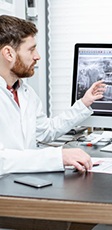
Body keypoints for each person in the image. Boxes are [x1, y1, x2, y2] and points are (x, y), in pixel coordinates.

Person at [0, 15, 106, 175]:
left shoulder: (24, 92)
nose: (37, 56)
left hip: (24, 181)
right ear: (9, 54)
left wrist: (83, 103)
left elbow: (45, 131)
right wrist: (58, 156)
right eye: (31, 49)